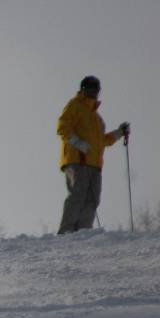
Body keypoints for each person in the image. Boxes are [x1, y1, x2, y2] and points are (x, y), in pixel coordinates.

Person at [56, 75, 130, 234]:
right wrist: (77, 142)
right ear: (83, 89)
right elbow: (62, 126)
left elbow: (102, 141)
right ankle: (66, 231)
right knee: (78, 194)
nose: (94, 92)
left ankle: (83, 232)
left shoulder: (97, 119)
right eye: (90, 89)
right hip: (78, 159)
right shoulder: (75, 105)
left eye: (96, 89)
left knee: (92, 199)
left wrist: (119, 133)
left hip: (94, 164)